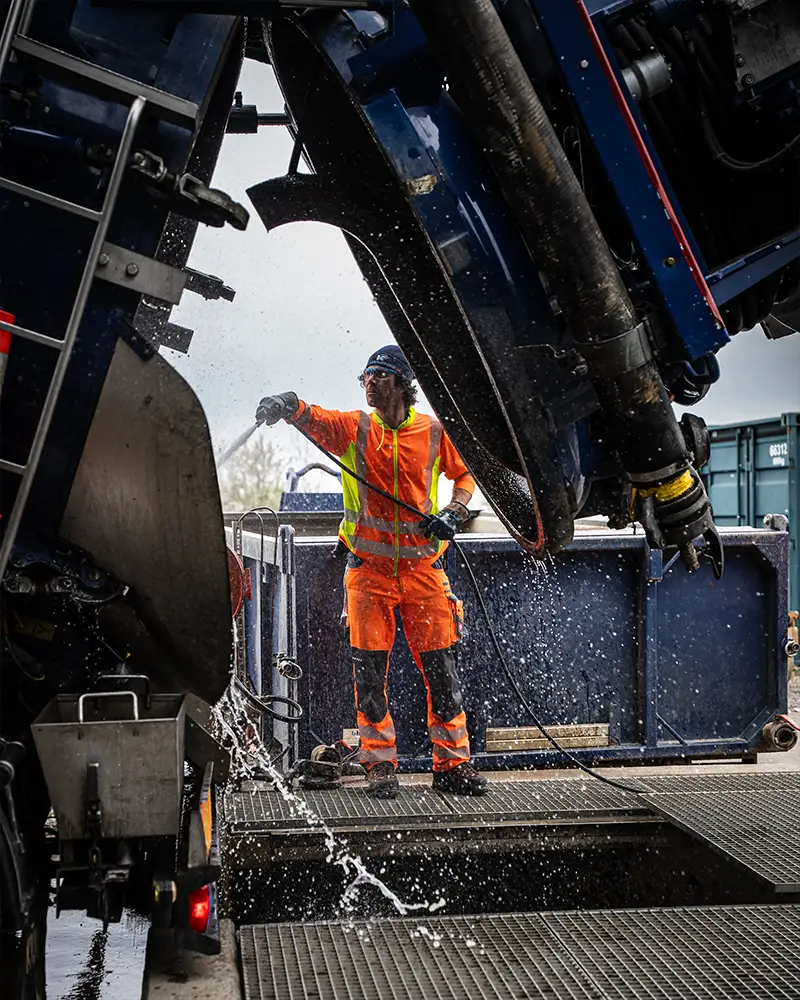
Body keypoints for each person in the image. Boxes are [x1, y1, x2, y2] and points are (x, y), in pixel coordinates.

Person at [256, 345, 488, 798]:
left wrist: (455, 514)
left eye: (380, 375)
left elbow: (465, 478)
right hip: (367, 576)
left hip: (425, 572)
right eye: (366, 375)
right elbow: (314, 417)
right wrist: (288, 405)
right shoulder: (355, 429)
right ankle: (380, 768)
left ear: (402, 383)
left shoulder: (435, 432)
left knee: (442, 675)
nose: (369, 382)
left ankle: (452, 766)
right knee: (370, 680)